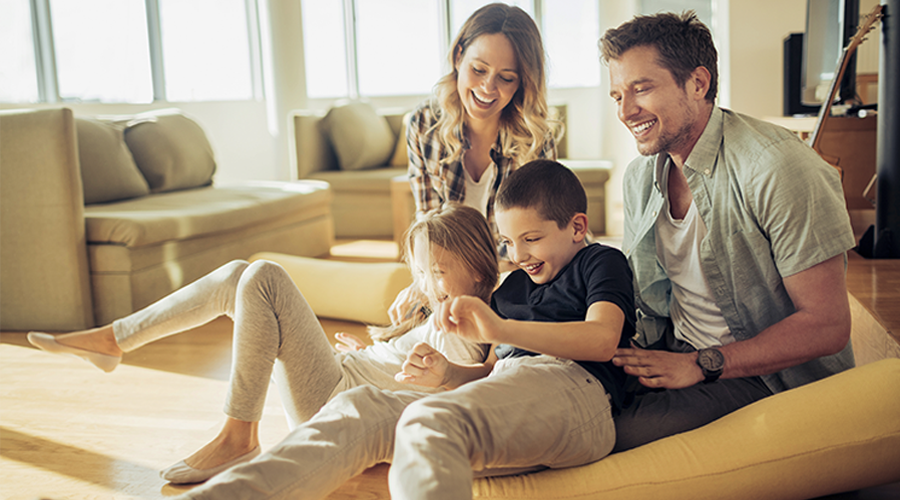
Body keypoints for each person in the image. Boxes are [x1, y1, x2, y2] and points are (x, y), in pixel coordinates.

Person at [172, 160, 635, 500]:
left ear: (578, 227)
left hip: (576, 389)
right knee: (363, 405)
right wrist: (449, 374)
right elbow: (491, 374)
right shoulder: (512, 288)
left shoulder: (600, 262)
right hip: (510, 390)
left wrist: (502, 326)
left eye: (531, 239)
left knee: (431, 422)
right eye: (510, 243)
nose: (519, 255)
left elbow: (601, 339)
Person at [26, 205, 497, 484]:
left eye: (436, 272)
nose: (427, 285)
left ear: (478, 267)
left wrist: (396, 370)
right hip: (345, 374)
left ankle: (238, 436)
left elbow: (448, 395)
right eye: (419, 272)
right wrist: (371, 355)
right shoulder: (441, 310)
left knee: (264, 277)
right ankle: (115, 338)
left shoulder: (470, 322)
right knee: (238, 275)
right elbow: (414, 366)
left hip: (339, 402)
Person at [600, 11, 857, 451]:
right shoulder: (643, 176)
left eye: (641, 89)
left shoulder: (779, 169)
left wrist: (704, 364)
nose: (625, 111)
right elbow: (646, 300)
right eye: (617, 95)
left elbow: (827, 324)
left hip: (765, 379)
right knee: (558, 408)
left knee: (602, 438)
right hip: (675, 353)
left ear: (698, 83)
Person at [392, 2, 560, 323]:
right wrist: (423, 280)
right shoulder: (423, 125)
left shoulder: (535, 139)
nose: (487, 88)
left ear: (522, 82)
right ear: (458, 57)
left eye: (506, 78)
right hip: (453, 279)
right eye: (478, 69)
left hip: (518, 276)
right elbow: (429, 223)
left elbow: (541, 242)